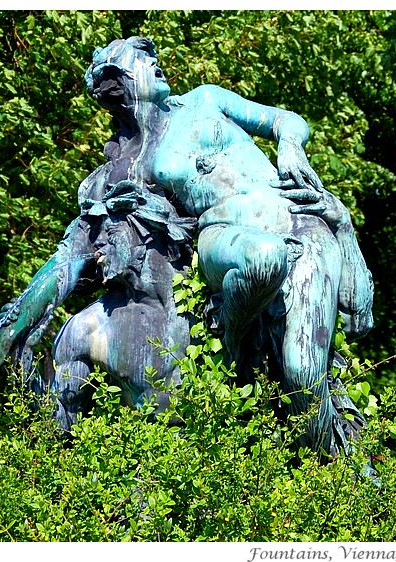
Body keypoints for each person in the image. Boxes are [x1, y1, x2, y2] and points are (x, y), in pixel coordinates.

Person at [82, 36, 375, 457]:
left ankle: (338, 477)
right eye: (142, 61)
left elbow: (285, 120)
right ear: (121, 84)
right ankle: (233, 344)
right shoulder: (134, 158)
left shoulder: (205, 99)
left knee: (303, 374)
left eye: (152, 56)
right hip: (222, 233)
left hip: (296, 219)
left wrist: (290, 144)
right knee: (263, 258)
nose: (155, 62)